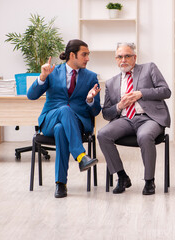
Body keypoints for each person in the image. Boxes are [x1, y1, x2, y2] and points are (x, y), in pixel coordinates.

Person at [27, 39, 101, 198]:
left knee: (61, 129)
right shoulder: (52, 72)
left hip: (78, 123)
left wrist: (89, 100)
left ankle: (60, 184)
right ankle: (81, 155)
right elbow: (31, 96)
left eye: (88, 55)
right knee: (64, 110)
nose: (87, 58)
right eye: (84, 54)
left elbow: (95, 111)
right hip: (49, 120)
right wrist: (42, 77)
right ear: (72, 55)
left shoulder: (91, 77)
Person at [97, 42, 171, 195]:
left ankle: (149, 181)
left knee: (144, 136)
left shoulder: (149, 68)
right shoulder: (111, 83)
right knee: (102, 134)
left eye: (127, 56)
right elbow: (106, 113)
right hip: (125, 120)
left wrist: (141, 93)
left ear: (134, 57)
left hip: (149, 118)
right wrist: (119, 106)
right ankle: (122, 176)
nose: (123, 60)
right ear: (116, 59)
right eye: (119, 57)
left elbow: (165, 91)